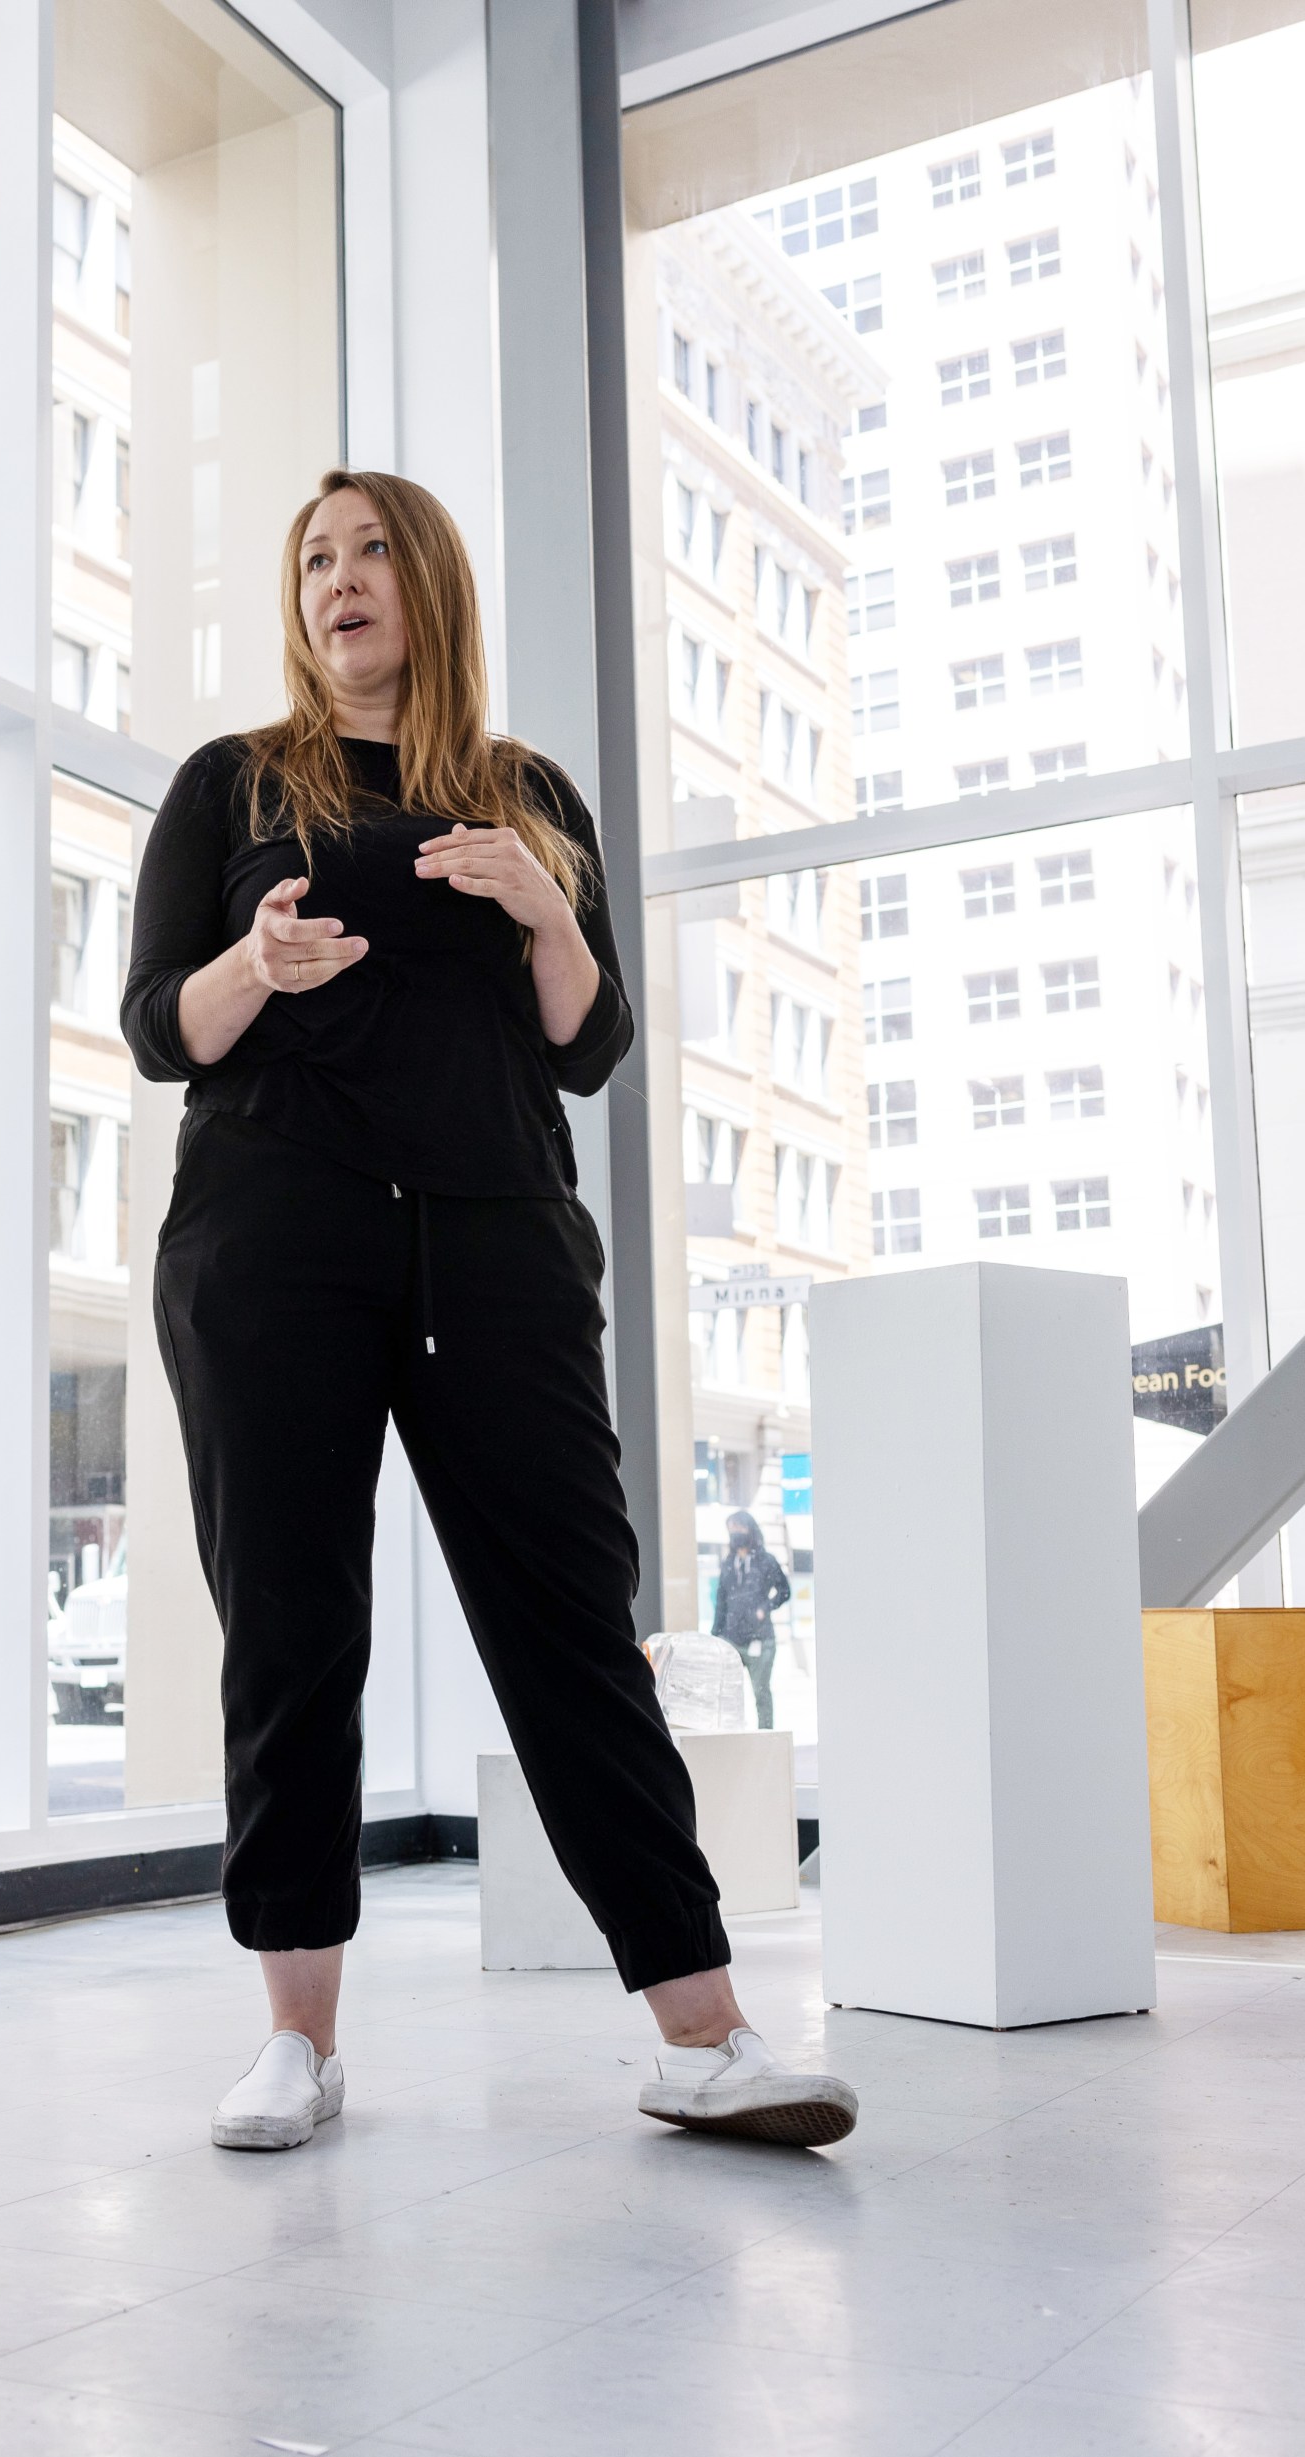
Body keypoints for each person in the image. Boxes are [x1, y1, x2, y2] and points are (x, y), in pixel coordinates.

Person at [125, 469, 860, 2155]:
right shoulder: (231, 785)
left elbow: (584, 1043)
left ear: (429, 581)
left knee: (568, 1629)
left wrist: (544, 903)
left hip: (498, 1245)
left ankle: (706, 2030)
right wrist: (258, 965)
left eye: (371, 549)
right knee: (296, 1633)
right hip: (274, 1239)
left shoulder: (526, 796)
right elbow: (161, 1023)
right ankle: (296, 2040)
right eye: (313, 556)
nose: (340, 580)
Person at [711, 1509, 793, 1730]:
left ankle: (766, 1739)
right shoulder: (728, 1563)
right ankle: (734, 1738)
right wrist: (715, 1636)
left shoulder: (766, 1561)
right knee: (729, 1695)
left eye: (739, 1527)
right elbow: (721, 1601)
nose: (735, 1533)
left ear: (750, 1529)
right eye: (731, 1529)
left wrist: (765, 1608)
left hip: (760, 1639)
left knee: (761, 1692)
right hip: (731, 1639)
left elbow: (784, 1590)